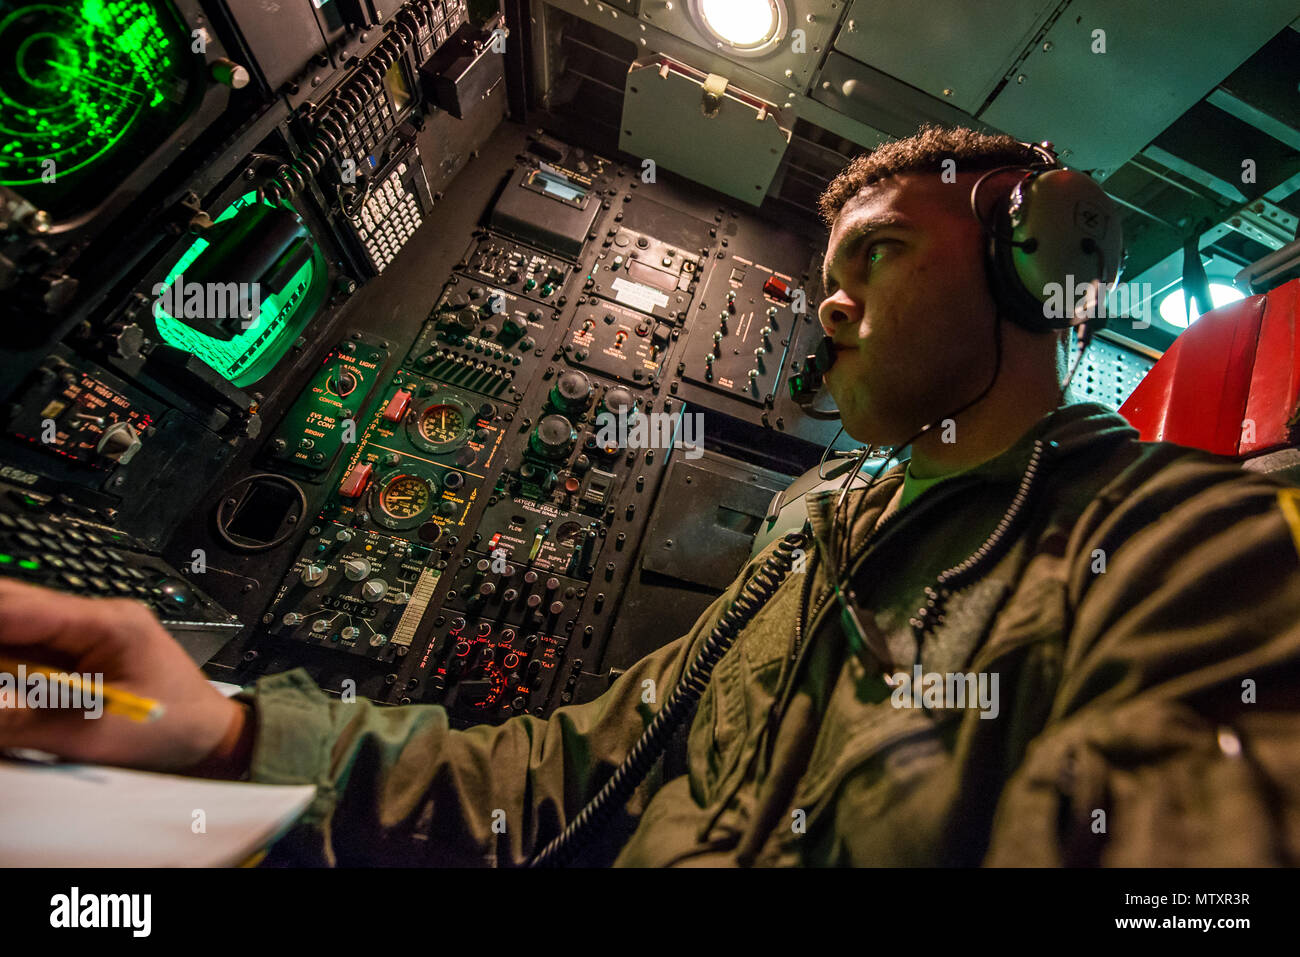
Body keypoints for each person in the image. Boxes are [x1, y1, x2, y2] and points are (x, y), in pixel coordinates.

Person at [3, 126, 1299, 866]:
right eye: (826, 269)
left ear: (1038, 264)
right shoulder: (817, 523)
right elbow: (575, 765)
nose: (827, 301)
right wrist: (232, 739)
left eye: (880, 254)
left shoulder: (1176, 543)